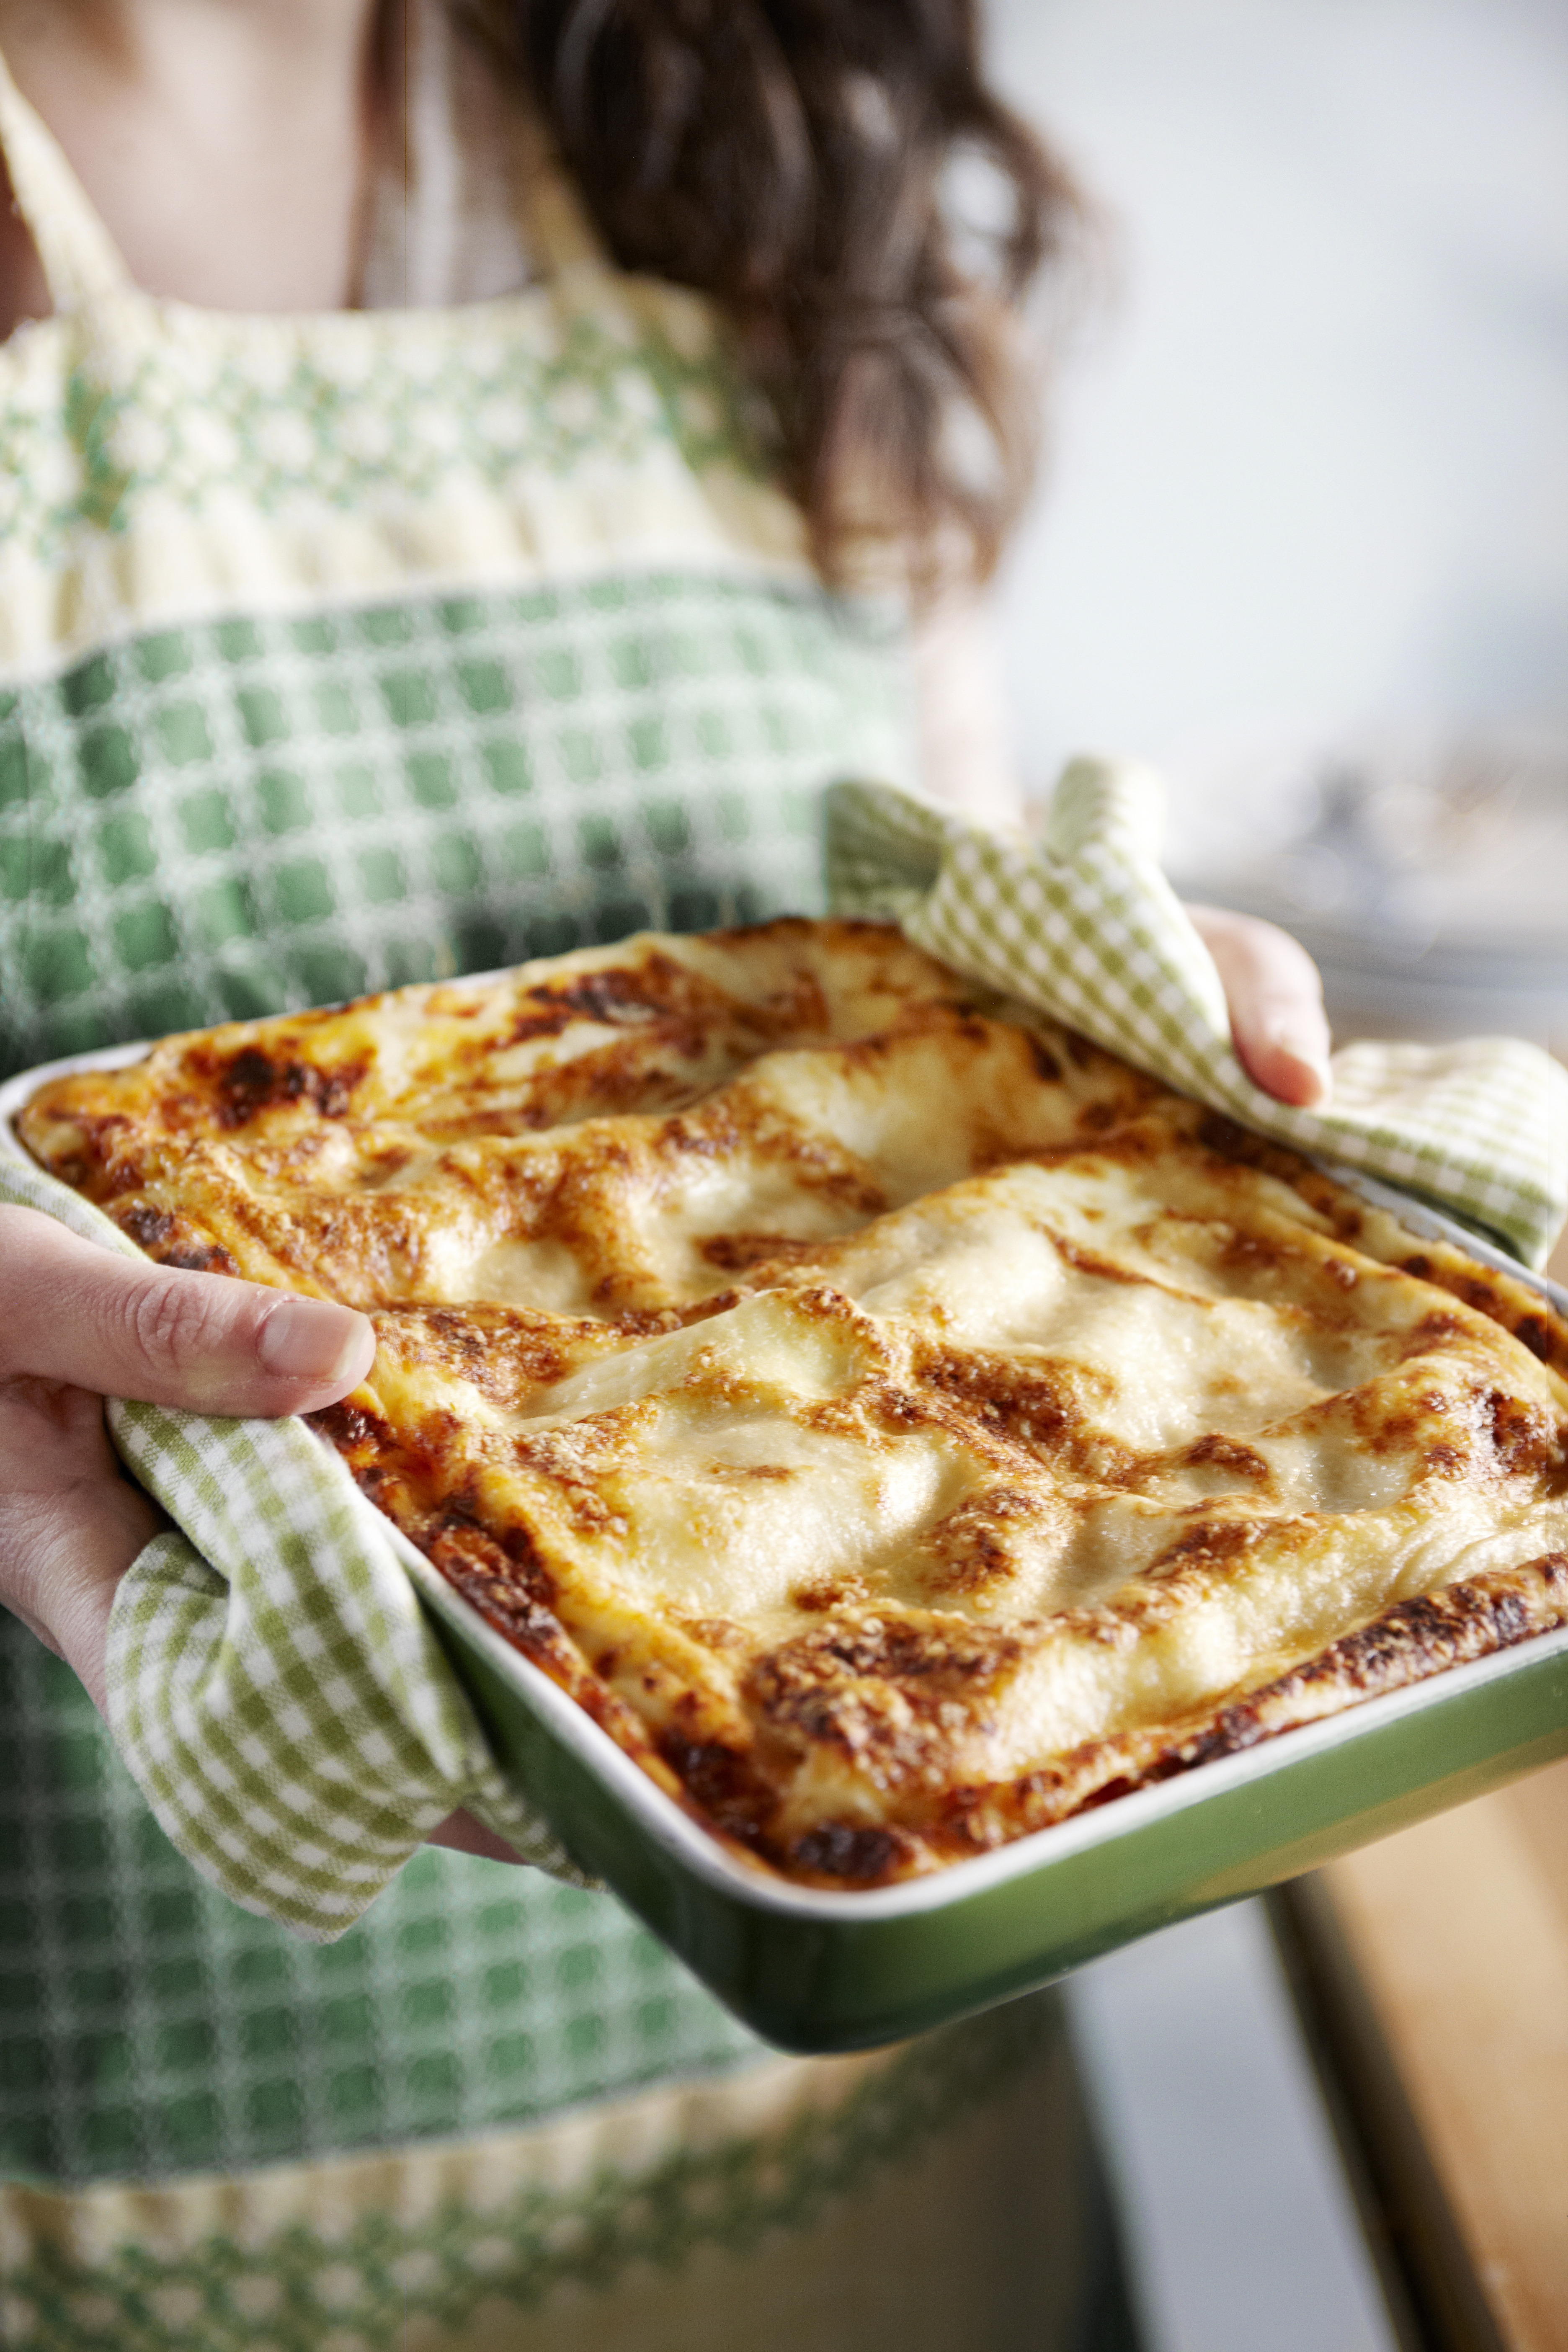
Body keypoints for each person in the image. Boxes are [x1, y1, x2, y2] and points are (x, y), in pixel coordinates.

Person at [0, 5, 1331, 2346]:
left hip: (880, 2165)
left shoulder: (781, 124)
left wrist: (1097, 1039)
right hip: (138, 2225)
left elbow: (906, 902)